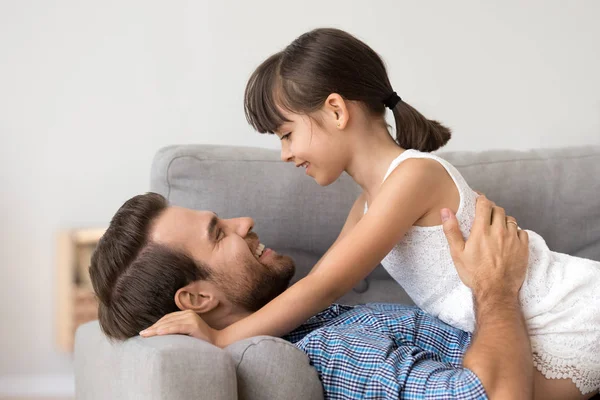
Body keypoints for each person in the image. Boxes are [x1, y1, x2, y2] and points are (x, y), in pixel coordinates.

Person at [148, 28, 599, 399]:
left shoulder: (412, 177)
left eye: (286, 134)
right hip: (511, 325)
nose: (284, 154)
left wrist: (225, 337)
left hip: (561, 311)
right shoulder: (368, 202)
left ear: (336, 110)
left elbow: (324, 287)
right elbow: (323, 278)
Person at [92, 192, 532, 399]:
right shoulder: (331, 352)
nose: (243, 220)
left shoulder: (308, 314)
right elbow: (485, 396)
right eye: (218, 233)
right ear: (198, 299)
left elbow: (369, 203)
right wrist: (496, 287)